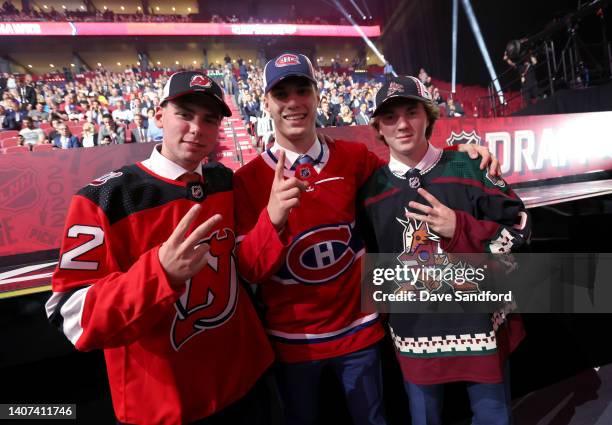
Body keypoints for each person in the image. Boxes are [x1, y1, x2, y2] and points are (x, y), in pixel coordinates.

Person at [233, 53, 499, 425]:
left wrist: (462, 157)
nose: (293, 103)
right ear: (266, 103)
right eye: (281, 94)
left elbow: (408, 172)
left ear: (317, 96)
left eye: (302, 90)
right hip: (293, 340)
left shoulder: (354, 157)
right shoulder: (246, 180)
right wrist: (272, 219)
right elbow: (249, 269)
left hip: (359, 333)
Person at [45, 71, 274, 425]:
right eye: (185, 113)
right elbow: (69, 316)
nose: (197, 128)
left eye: (209, 118)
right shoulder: (104, 198)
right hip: (164, 406)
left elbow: (251, 266)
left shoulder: (228, 183)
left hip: (246, 387)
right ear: (158, 116)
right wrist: (159, 274)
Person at [357, 76, 531, 425]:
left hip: (481, 325)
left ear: (429, 116)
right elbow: (374, 266)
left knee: (494, 417)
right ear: (377, 127)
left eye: (412, 112)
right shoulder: (369, 193)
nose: (402, 124)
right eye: (390, 117)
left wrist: (460, 229)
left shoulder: (470, 167)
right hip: (414, 337)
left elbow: (522, 230)